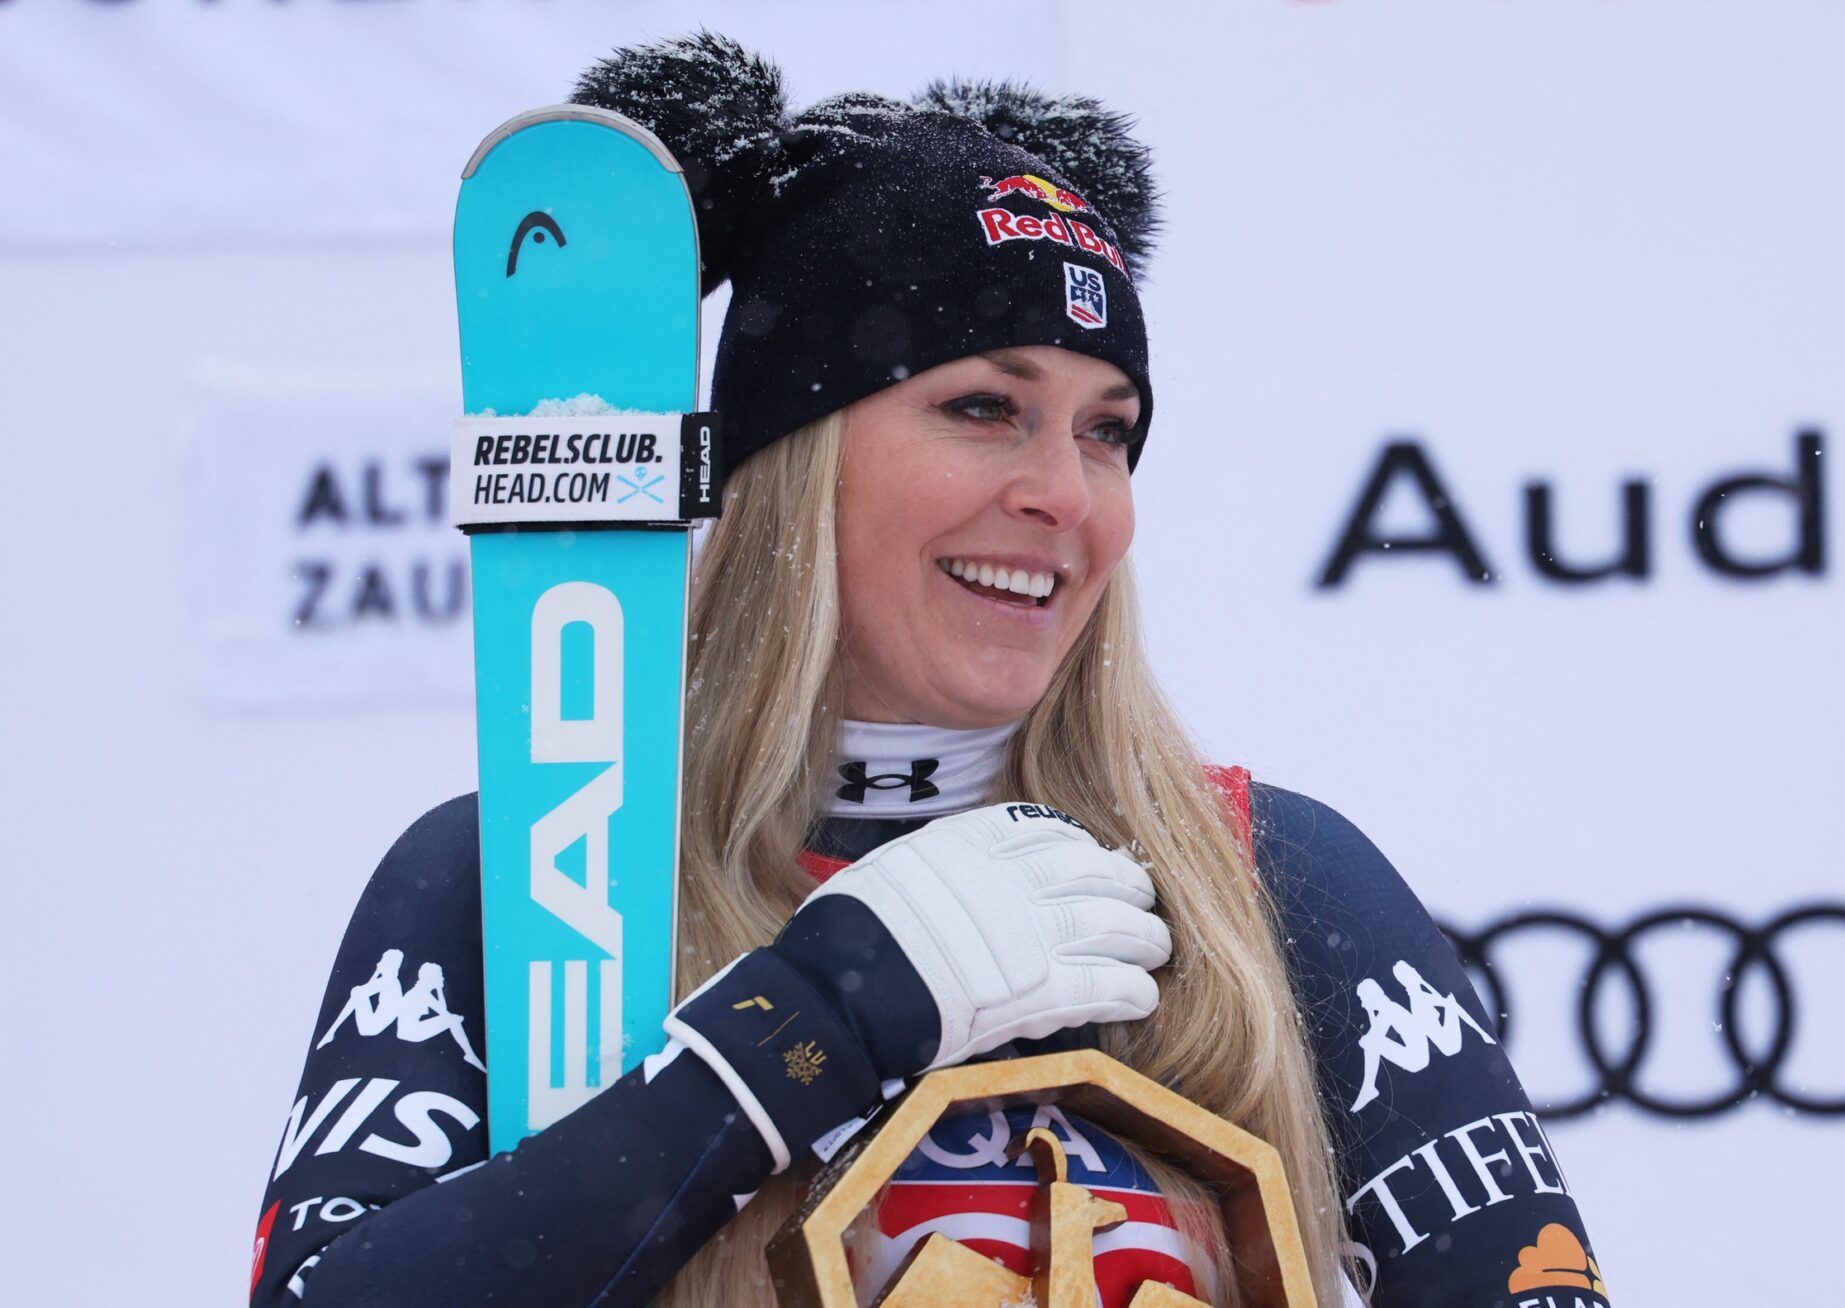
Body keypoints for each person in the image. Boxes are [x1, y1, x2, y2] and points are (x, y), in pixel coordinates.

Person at [250, 33, 1606, 1308]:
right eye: (984, 408)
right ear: (795, 463)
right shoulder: (534, 867)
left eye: (1108, 431)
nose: (1065, 493)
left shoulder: (1264, 873)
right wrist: (807, 1026)